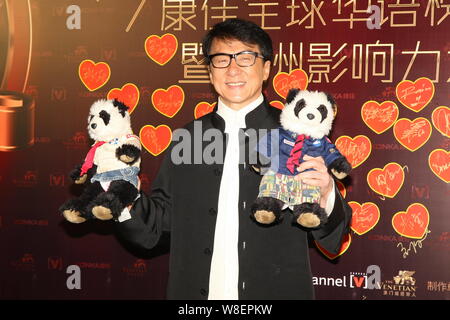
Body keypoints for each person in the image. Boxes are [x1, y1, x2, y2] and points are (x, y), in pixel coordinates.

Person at [114, 18, 352, 300]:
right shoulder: (187, 138)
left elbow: (334, 237)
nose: (233, 69)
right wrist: (121, 194)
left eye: (246, 57)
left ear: (265, 69)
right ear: (210, 71)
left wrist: (327, 193)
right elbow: (157, 228)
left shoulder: (297, 133)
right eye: (221, 59)